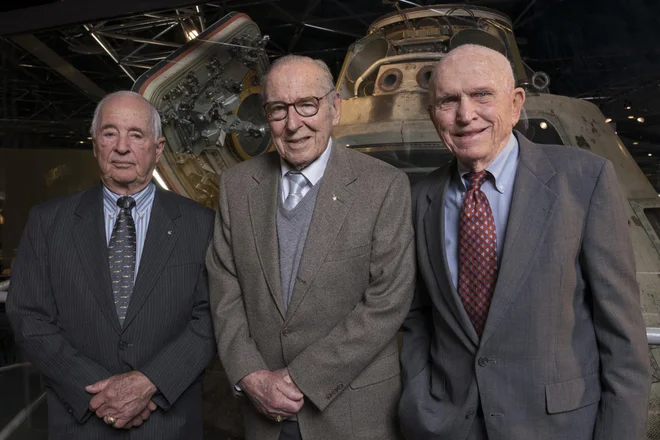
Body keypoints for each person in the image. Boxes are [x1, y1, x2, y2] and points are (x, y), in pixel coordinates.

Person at [398, 44, 651, 440]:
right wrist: (420, 399)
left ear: (516, 103)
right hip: (448, 426)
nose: (466, 115)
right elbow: (417, 316)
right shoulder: (419, 200)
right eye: (449, 100)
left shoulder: (585, 180)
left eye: (482, 94)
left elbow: (622, 338)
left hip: (559, 427)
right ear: (434, 116)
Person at [206, 55, 415, 440]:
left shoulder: (384, 186)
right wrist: (250, 374)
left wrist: (302, 377)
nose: (293, 123)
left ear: (334, 107)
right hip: (263, 410)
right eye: (278, 109)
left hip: (352, 413)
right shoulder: (236, 186)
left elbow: (388, 300)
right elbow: (224, 288)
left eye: (307, 105)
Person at [7, 90, 216, 439]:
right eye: (109, 133)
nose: (122, 147)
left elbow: (213, 315)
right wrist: (99, 394)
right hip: (81, 420)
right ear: (94, 145)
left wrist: (150, 382)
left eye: (136, 134)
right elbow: (28, 315)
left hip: (168, 423)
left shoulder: (202, 224)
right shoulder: (48, 222)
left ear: (158, 148)